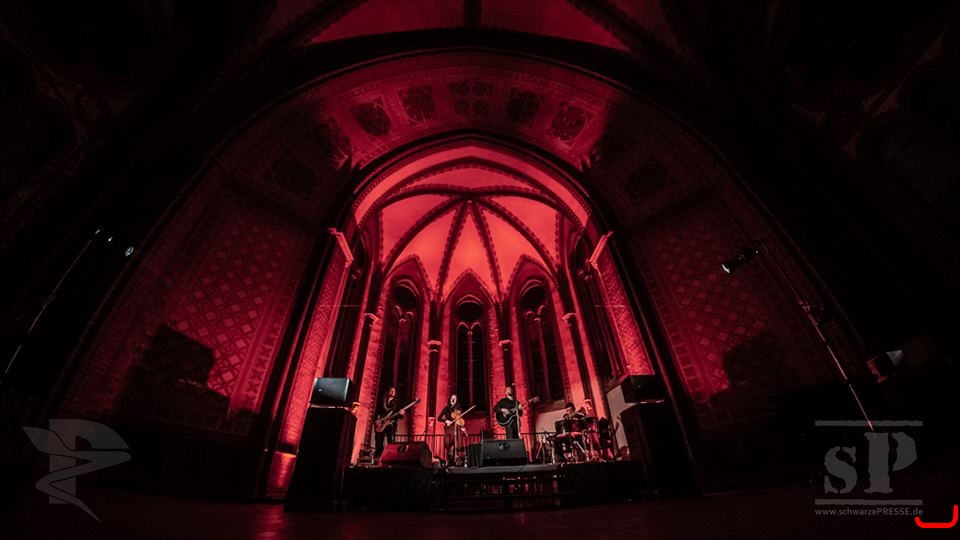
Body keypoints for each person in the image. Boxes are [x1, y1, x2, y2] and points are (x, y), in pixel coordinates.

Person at [374, 387, 402, 463]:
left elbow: (400, 416)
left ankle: (390, 459)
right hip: (381, 424)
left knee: (391, 442)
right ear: (388, 392)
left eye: (394, 391)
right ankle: (377, 459)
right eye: (391, 390)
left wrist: (402, 414)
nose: (393, 392)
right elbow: (376, 412)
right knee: (378, 441)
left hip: (391, 424)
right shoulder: (381, 402)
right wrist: (375, 421)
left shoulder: (396, 403)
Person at [438, 394, 465, 462]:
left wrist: (462, 426)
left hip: (456, 428)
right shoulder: (446, 409)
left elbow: (460, 419)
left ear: (456, 400)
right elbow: (439, 418)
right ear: (450, 400)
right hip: (449, 429)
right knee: (448, 444)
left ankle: (457, 459)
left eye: (455, 398)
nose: (453, 400)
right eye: (452, 398)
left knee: (457, 443)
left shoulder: (458, 409)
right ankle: (449, 459)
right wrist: (446, 421)